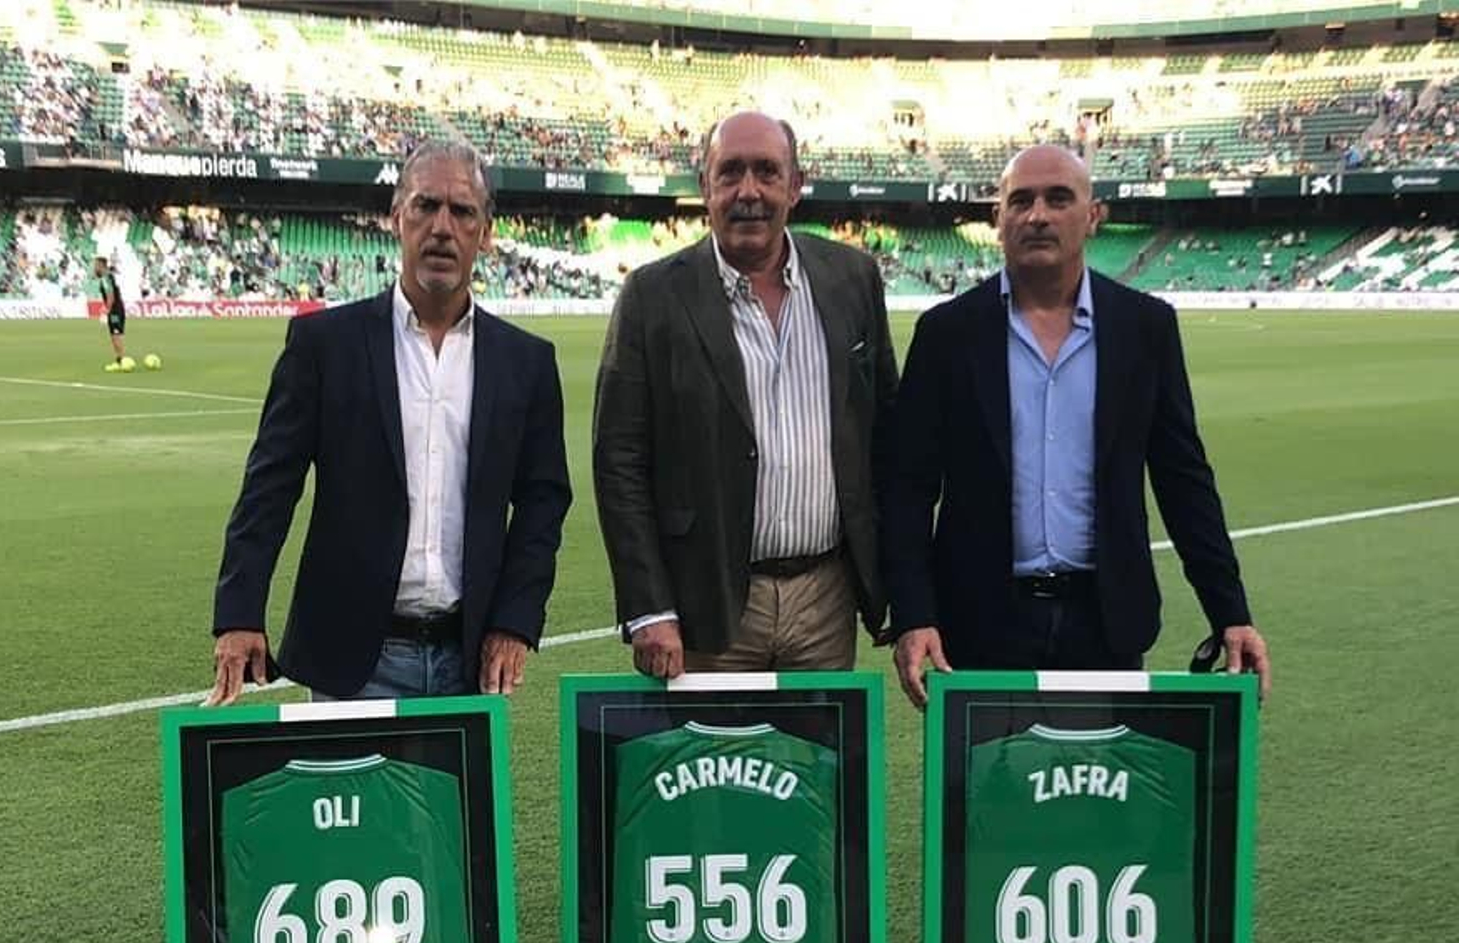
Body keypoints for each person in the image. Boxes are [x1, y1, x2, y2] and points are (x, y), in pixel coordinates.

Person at [881, 144, 1271, 706]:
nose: (1037, 214)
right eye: (1020, 201)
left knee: (1094, 790)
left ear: (1093, 216)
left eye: (1058, 198)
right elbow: (909, 489)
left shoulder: (1145, 328)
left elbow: (1183, 479)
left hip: (1106, 623)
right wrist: (915, 614)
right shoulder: (947, 333)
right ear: (999, 220)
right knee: (981, 792)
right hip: (982, 623)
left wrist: (1229, 612)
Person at [208, 139, 572, 703]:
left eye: (462, 211)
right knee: (344, 796)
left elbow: (543, 501)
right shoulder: (324, 345)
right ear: (396, 217)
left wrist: (514, 621)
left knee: (463, 799)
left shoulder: (526, 362)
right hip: (354, 659)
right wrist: (239, 612)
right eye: (426, 206)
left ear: (486, 231)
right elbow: (270, 486)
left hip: (468, 660)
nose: (442, 227)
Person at [593, 110, 896, 676]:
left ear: (796, 185)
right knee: (716, 764)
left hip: (826, 598)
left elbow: (886, 436)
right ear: (705, 187)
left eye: (766, 171)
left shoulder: (852, 279)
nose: (749, 191)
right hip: (707, 601)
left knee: (819, 763)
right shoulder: (652, 295)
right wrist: (649, 608)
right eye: (730, 173)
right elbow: (619, 462)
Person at [94, 256, 127, 369]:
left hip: (114, 310)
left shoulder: (105, 278)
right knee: (117, 334)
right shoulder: (110, 276)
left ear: (101, 266)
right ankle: (121, 359)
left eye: (96, 266)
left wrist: (106, 311)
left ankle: (121, 361)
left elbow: (110, 295)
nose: (95, 268)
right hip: (119, 307)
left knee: (115, 334)